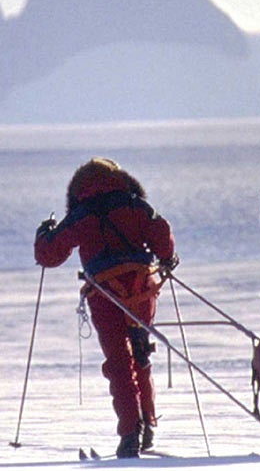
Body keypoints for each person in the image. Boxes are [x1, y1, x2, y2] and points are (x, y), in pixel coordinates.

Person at [34, 158, 177, 459]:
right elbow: (162, 234)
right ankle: (147, 423)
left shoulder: (80, 215)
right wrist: (166, 256)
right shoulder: (136, 204)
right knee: (140, 353)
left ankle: (129, 434)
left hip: (104, 292)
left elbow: (50, 254)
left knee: (118, 361)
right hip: (142, 287)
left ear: (80, 188)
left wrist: (43, 234)